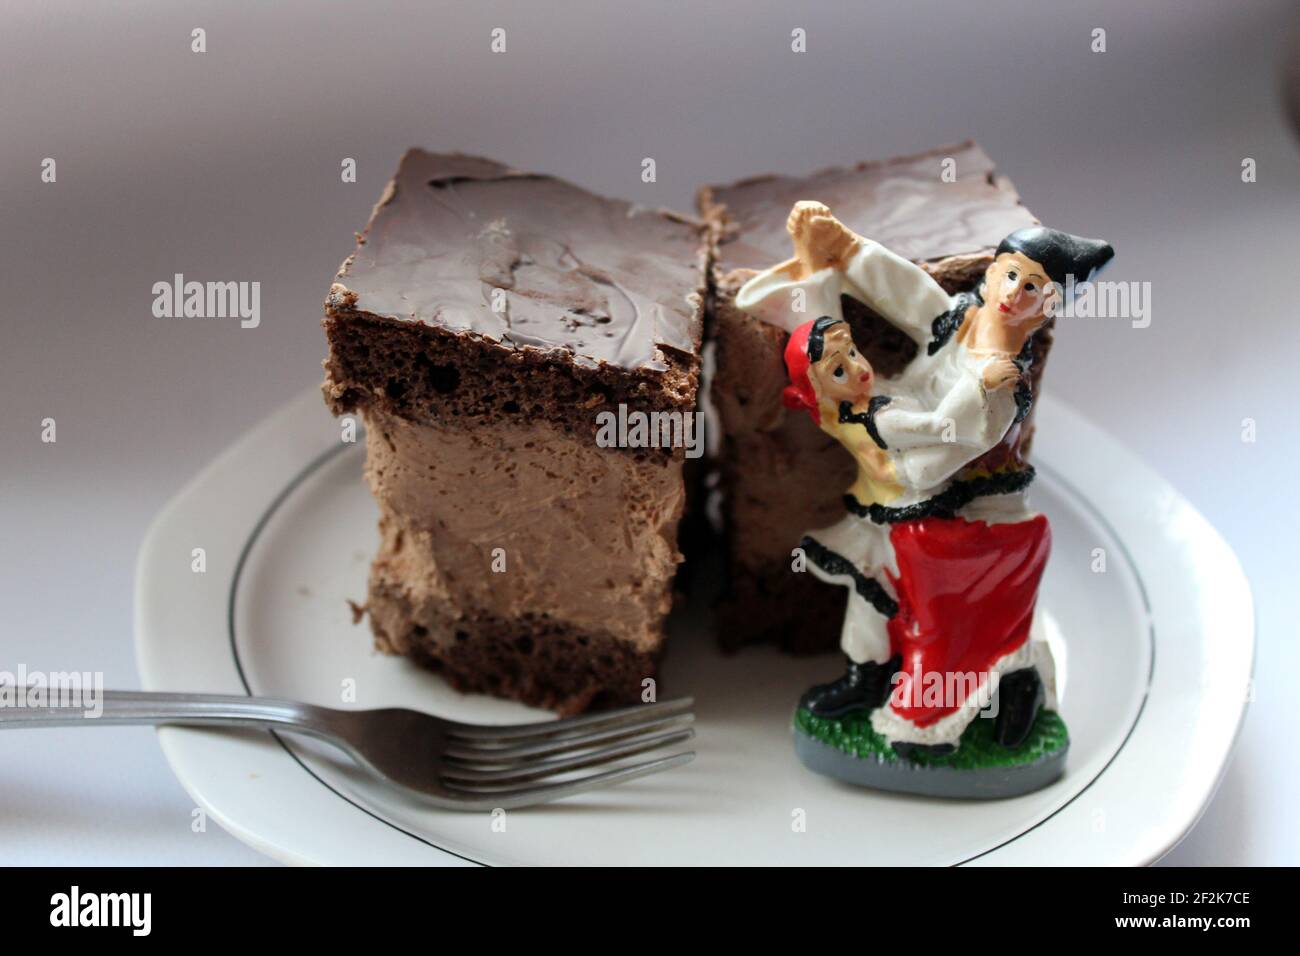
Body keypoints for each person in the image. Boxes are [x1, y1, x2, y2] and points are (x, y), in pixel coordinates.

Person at [740, 202, 1113, 755]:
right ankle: (864, 678)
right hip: (895, 502)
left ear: (1048, 308)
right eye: (1011, 275)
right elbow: (907, 290)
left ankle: (958, 707)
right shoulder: (959, 319)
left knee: (928, 619)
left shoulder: (1003, 382)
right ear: (991, 275)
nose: (1015, 293)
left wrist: (879, 426)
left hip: (963, 515)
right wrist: (845, 246)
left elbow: (937, 459)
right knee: (867, 594)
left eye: (1034, 290)